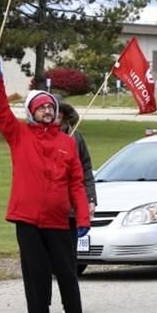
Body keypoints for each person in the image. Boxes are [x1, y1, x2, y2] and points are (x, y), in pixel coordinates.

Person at [0, 54, 98, 313]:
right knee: (35, 274)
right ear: (32, 112)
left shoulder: (67, 143)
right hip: (27, 217)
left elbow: (76, 183)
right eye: (42, 107)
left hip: (59, 218)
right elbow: (0, 112)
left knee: (67, 272)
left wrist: (83, 216)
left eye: (51, 107)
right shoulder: (19, 135)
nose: (48, 111)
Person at [58, 102, 98, 242]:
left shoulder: (77, 138)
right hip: (50, 208)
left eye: (59, 111)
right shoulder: (41, 137)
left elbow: (86, 169)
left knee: (69, 254)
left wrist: (91, 199)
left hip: (71, 208)